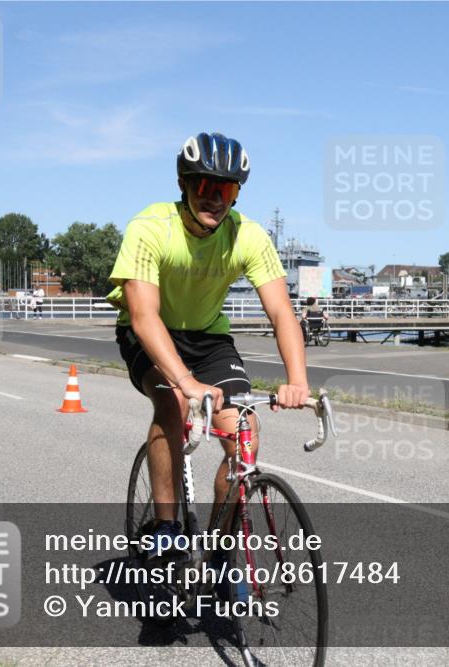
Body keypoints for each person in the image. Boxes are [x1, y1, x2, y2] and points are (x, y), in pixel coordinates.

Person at [106, 132, 310, 562]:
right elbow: (144, 317)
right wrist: (185, 381)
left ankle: (220, 548)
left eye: (226, 188)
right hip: (150, 332)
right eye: (204, 186)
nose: (214, 197)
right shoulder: (149, 228)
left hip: (207, 338)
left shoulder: (248, 237)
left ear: (236, 194)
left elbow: (281, 313)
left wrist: (298, 381)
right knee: (175, 403)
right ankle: (165, 526)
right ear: (184, 185)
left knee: (244, 432)